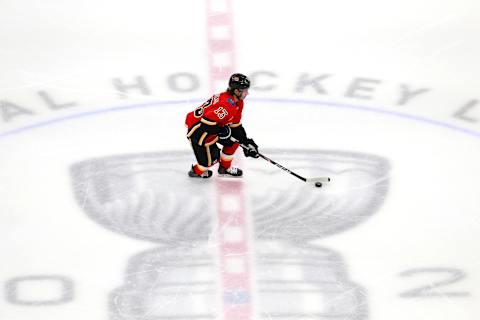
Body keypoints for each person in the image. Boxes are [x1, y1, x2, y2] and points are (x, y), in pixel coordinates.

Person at [185, 73, 259, 178]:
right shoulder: (227, 105)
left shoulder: (238, 102)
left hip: (212, 126)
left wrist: (246, 142)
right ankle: (196, 171)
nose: (247, 93)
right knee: (208, 163)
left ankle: (225, 168)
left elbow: (235, 126)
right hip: (198, 130)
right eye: (245, 90)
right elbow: (205, 124)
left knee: (235, 141)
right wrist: (221, 130)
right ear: (237, 91)